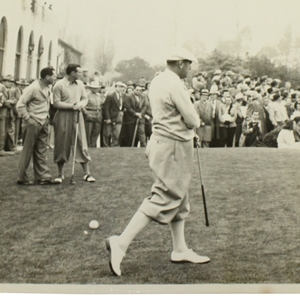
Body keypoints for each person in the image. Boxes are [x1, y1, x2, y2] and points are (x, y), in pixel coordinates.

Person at [106, 47, 209, 277]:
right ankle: (120, 243)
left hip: (163, 142)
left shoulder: (159, 80)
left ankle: (180, 249)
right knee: (164, 196)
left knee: (179, 197)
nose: (190, 69)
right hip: (172, 145)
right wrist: (194, 123)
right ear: (181, 63)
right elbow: (192, 118)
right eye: (189, 64)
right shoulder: (174, 84)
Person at [52, 64, 95, 183]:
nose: (81, 75)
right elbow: (56, 103)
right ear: (72, 73)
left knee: (81, 143)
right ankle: (60, 174)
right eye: (79, 72)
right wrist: (72, 106)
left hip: (77, 115)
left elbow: (84, 98)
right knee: (62, 143)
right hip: (63, 116)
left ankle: (87, 173)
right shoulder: (59, 85)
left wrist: (81, 105)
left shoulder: (80, 84)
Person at [15, 67, 56, 185]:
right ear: (47, 77)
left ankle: (43, 176)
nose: (55, 78)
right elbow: (20, 105)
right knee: (27, 150)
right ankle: (22, 177)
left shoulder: (48, 87)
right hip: (32, 123)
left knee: (41, 150)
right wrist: (28, 119)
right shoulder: (33, 88)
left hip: (43, 122)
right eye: (53, 76)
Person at [101, 81, 125, 147]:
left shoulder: (123, 95)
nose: (120, 88)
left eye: (122, 87)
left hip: (119, 117)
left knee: (117, 134)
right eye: (119, 87)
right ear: (116, 87)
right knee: (107, 133)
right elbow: (106, 108)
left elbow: (122, 106)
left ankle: (114, 146)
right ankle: (105, 147)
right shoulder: (110, 96)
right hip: (111, 117)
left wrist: (122, 111)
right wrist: (108, 118)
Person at [83, 79, 103, 148]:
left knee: (96, 131)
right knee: (88, 131)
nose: (96, 89)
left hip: (98, 114)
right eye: (94, 88)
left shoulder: (99, 95)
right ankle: (88, 146)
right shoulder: (86, 95)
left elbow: (101, 104)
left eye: (97, 88)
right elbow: (82, 106)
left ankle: (93, 146)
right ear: (91, 88)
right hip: (90, 113)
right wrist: (86, 113)